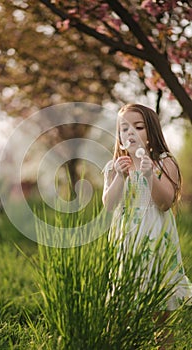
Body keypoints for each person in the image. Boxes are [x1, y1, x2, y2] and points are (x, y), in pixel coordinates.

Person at [102, 104, 192, 342]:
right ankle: (121, 342)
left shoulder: (164, 164)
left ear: (152, 133)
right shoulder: (114, 167)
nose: (130, 133)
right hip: (128, 240)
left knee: (160, 305)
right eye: (124, 129)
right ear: (119, 138)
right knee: (123, 303)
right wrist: (120, 178)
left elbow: (164, 203)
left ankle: (163, 345)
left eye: (138, 127)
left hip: (156, 239)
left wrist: (149, 175)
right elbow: (109, 205)